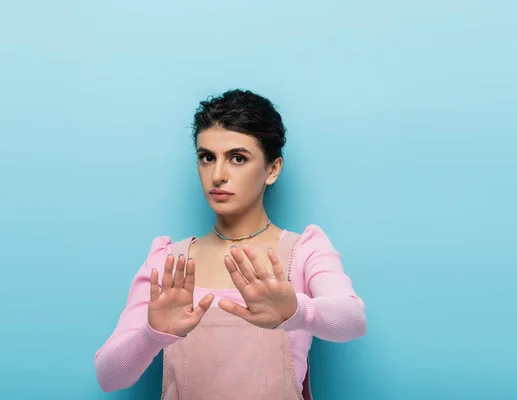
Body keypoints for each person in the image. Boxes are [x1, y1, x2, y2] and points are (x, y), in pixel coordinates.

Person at [94, 89, 367, 399]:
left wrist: (297, 312)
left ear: (273, 169)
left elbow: (354, 321)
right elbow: (108, 377)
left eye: (238, 158)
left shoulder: (303, 251)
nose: (218, 175)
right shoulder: (168, 261)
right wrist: (151, 336)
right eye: (207, 157)